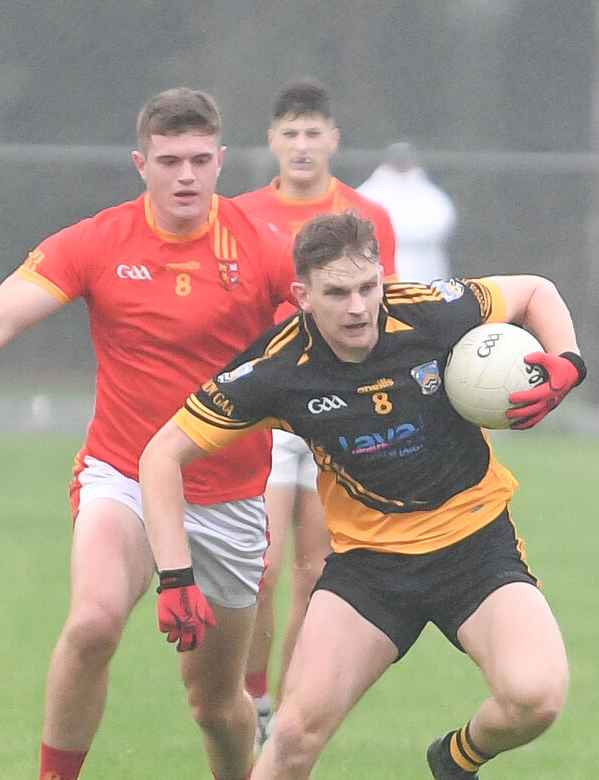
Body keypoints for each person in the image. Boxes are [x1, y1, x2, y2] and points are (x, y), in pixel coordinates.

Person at [0, 87, 296, 780]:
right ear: (141, 163)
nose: (186, 176)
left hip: (229, 497)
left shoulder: (262, 247)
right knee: (93, 625)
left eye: (200, 159)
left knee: (212, 702)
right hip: (125, 474)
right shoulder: (99, 241)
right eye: (169, 160)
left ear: (224, 161)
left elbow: (340, 327)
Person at [140, 212, 585, 779]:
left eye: (368, 287)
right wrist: (176, 576)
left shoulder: (428, 310)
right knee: (295, 735)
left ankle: (457, 759)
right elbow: (161, 454)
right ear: (303, 295)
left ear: (382, 277)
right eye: (337, 293)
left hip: (475, 548)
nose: (358, 307)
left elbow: (534, 292)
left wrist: (567, 362)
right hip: (369, 570)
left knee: (536, 698)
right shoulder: (278, 368)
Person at [232, 77, 397, 747]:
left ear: (333, 139)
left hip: (338, 415)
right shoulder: (240, 214)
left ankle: (291, 710)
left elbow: (386, 311)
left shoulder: (367, 217)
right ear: (272, 140)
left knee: (316, 573)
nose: (302, 145)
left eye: (313, 132)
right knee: (262, 566)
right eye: (290, 133)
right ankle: (253, 695)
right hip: (271, 412)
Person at [358, 140, 457, 284]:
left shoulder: (430, 195)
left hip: (425, 267)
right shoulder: (368, 193)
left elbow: (442, 222)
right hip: (378, 266)